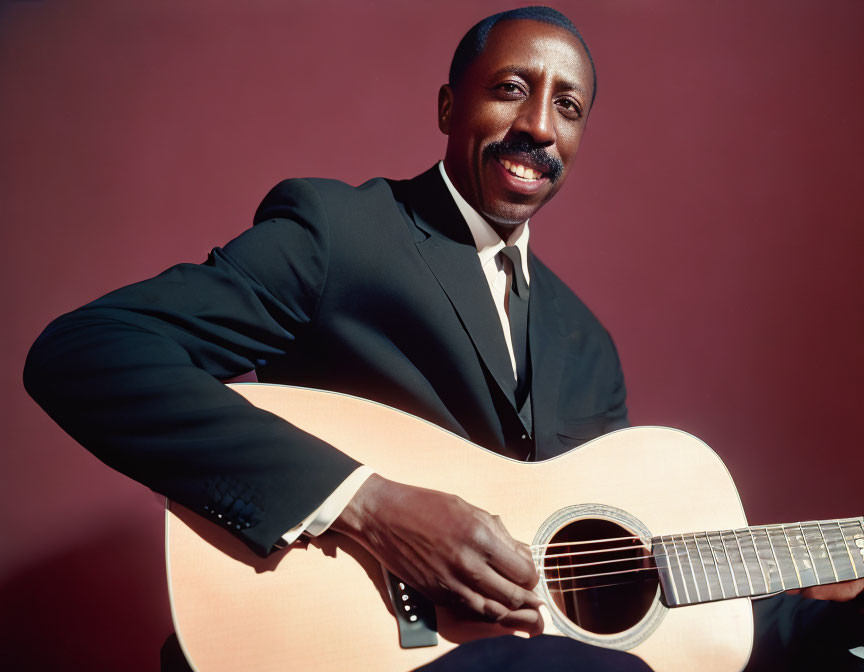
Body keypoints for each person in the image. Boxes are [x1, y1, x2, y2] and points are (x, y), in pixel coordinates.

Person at [23, 6, 862, 671]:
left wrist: (835, 609)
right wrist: (369, 504)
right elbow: (87, 353)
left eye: (567, 106)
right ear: (447, 105)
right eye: (511, 89)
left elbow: (611, 596)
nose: (539, 124)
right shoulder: (339, 232)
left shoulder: (585, 347)